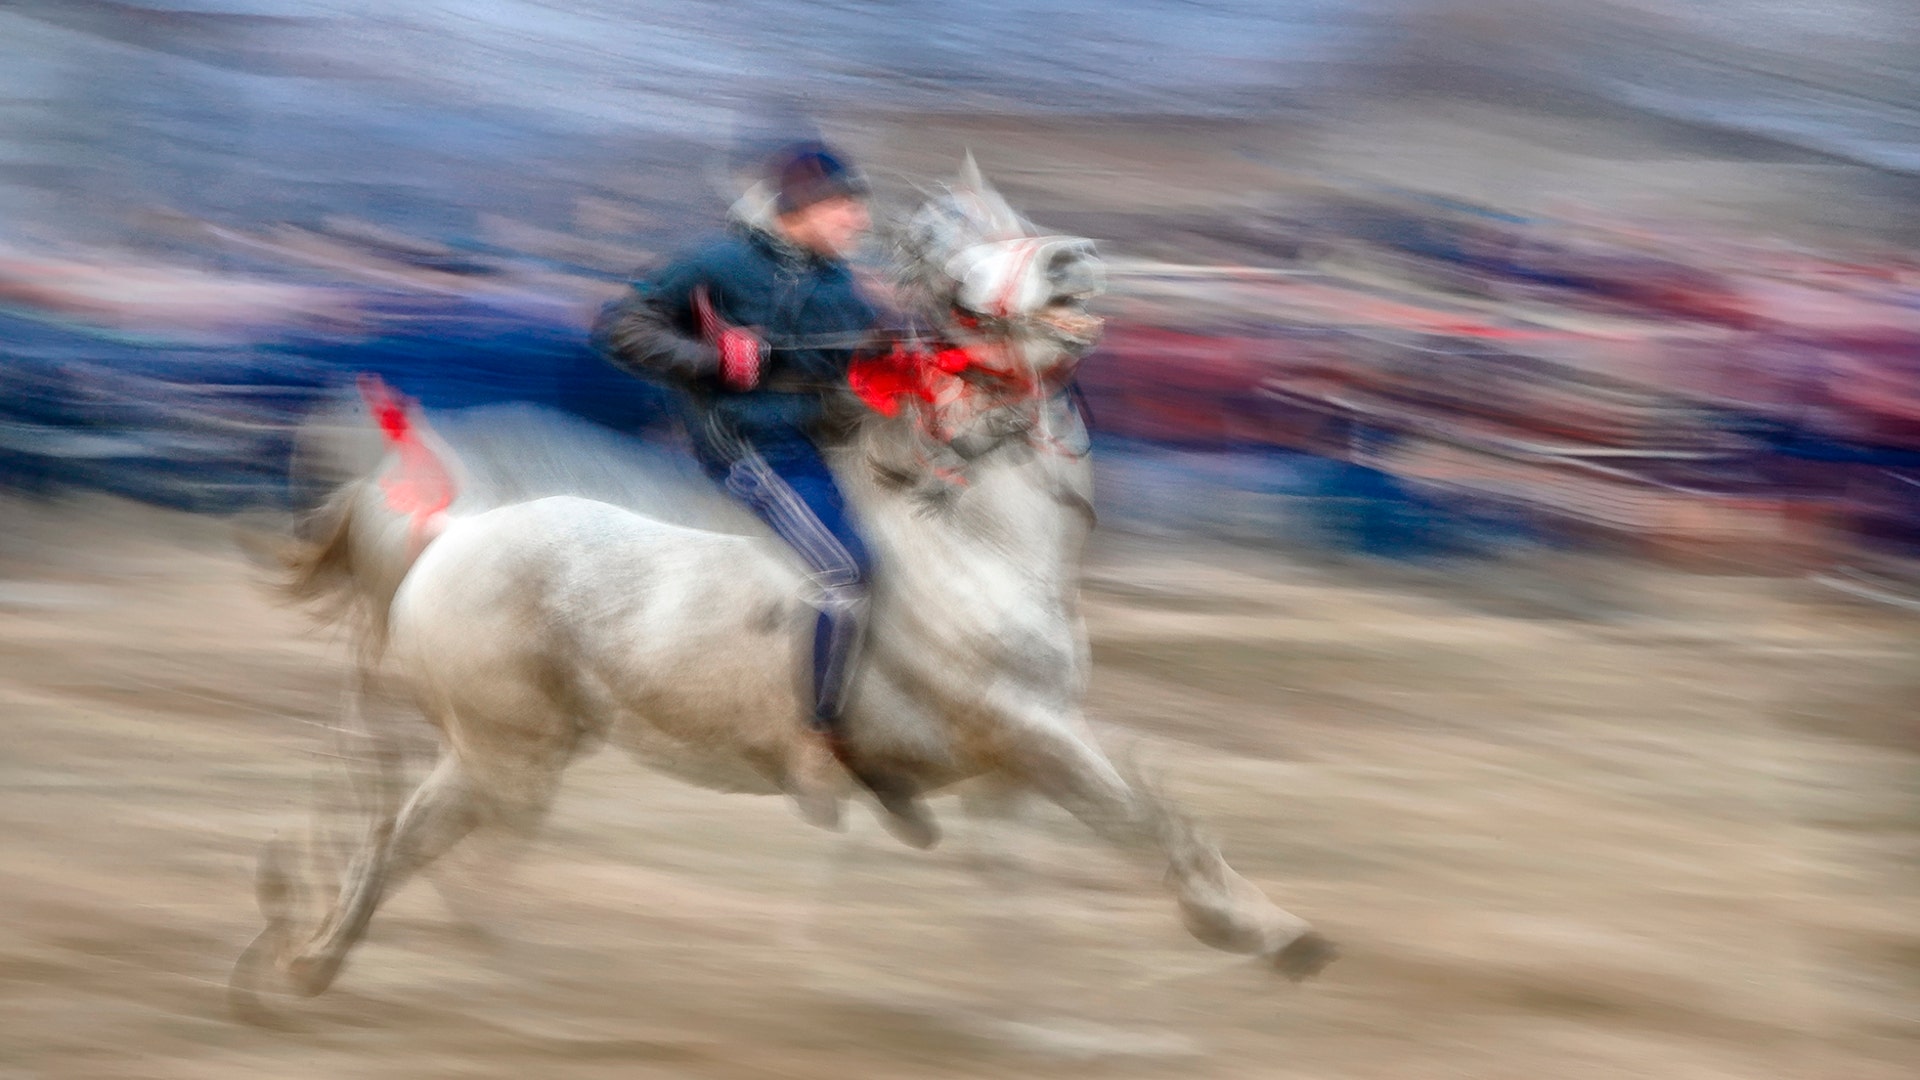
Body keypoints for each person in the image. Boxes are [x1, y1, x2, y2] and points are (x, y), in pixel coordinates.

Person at [592, 142, 935, 846]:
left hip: (826, 444)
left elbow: (866, 362)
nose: (860, 220)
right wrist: (710, 358)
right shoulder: (716, 265)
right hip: (751, 449)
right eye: (846, 206)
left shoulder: (841, 288)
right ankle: (815, 740)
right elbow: (619, 328)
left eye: (859, 207)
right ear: (798, 210)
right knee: (846, 571)